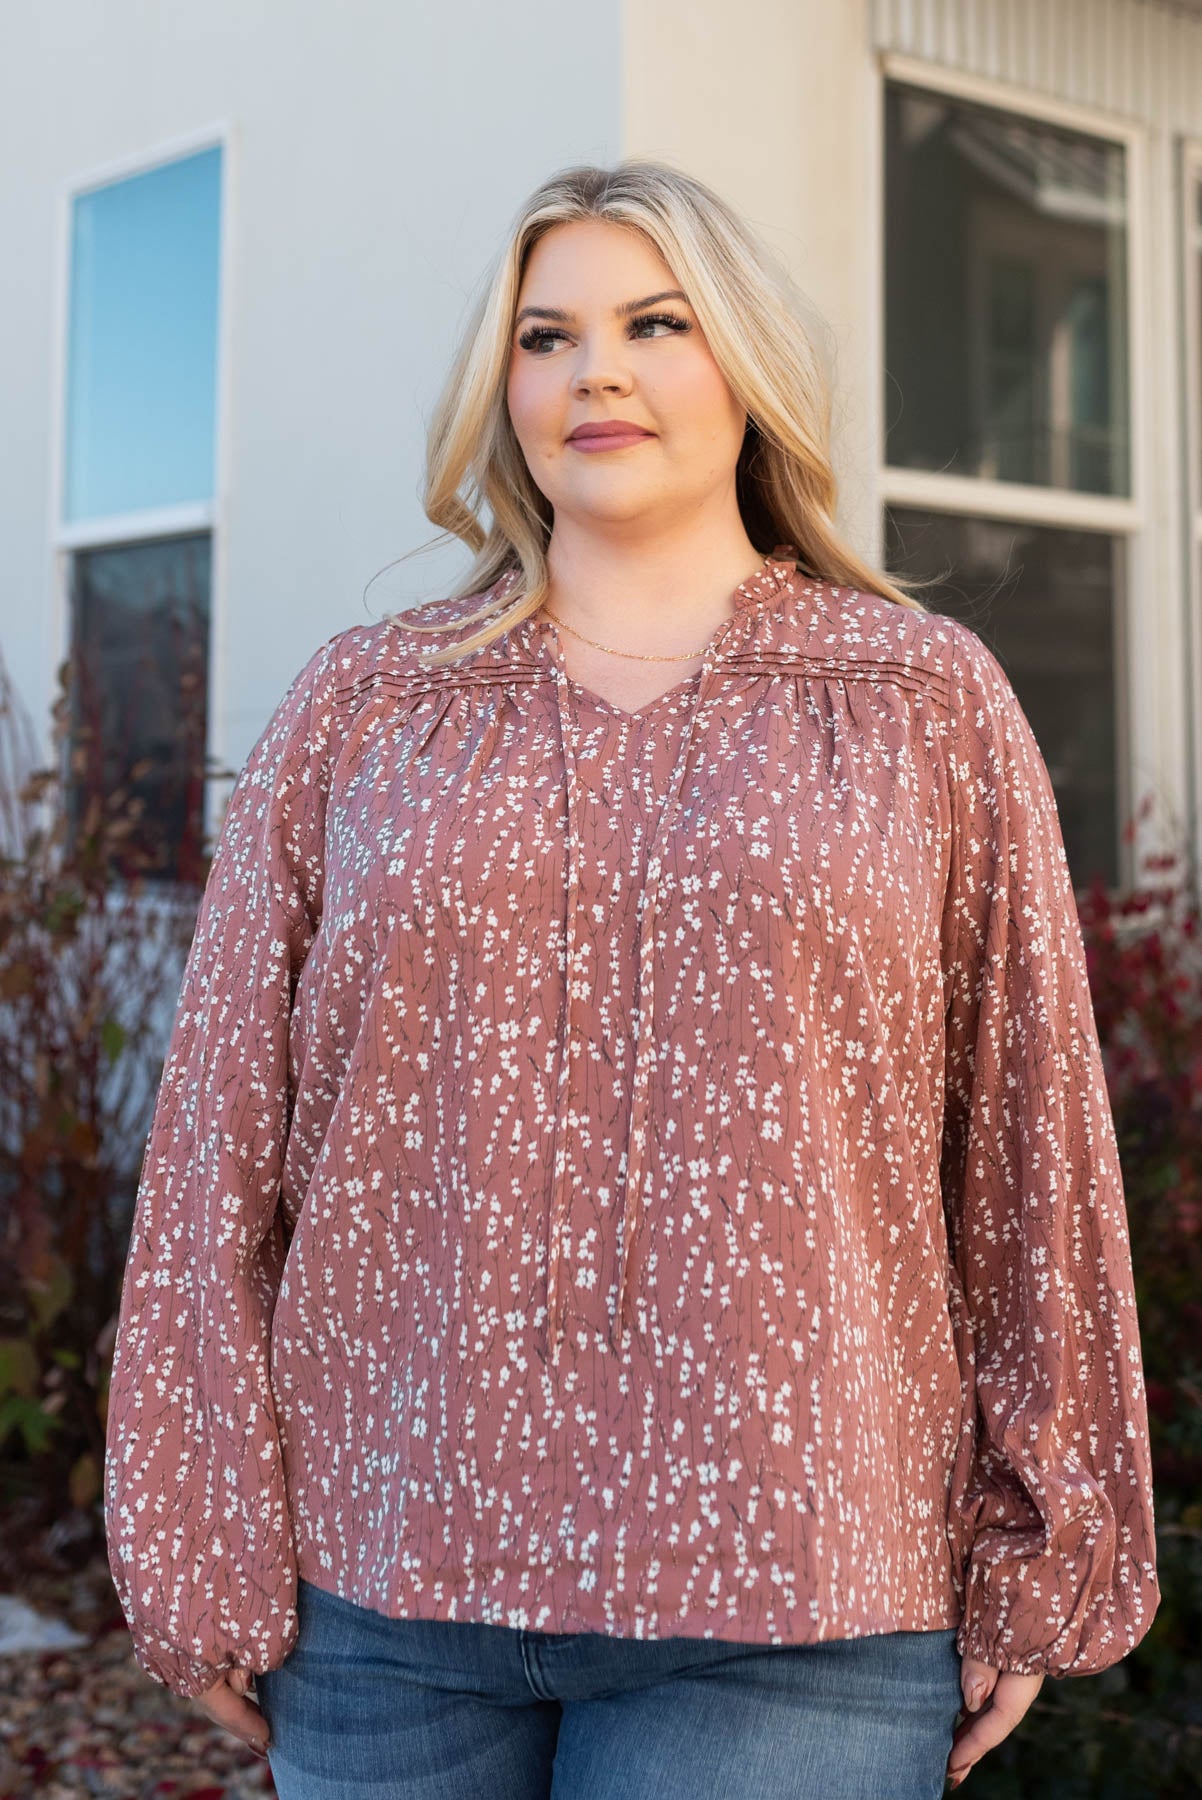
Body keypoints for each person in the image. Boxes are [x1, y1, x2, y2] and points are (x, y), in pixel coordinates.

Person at [103, 159, 1160, 1799]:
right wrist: (197, 1537)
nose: (592, 369)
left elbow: (1032, 1149)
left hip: (799, 1596)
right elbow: (218, 1147)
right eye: (546, 336)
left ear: (740, 363)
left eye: (653, 322)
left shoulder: (919, 705)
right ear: (502, 390)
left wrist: (1045, 1531)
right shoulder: (365, 712)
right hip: (385, 1583)